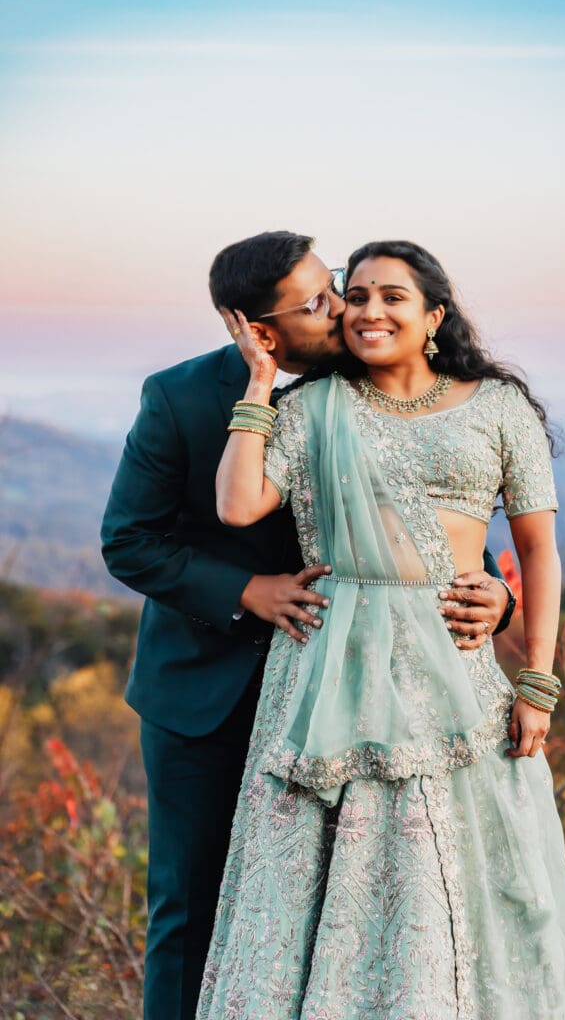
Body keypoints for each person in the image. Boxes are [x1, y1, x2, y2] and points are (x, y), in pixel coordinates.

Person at [100, 231, 513, 1020]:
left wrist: (498, 596)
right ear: (253, 326)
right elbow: (130, 539)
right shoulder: (180, 396)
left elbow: (439, 519)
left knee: (350, 915)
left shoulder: (389, 387)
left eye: (334, 286)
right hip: (205, 698)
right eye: (317, 302)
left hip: (361, 695)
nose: (342, 310)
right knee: (190, 906)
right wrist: (246, 588)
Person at [197, 239, 565, 1019]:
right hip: (327, 668)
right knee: (318, 873)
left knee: (446, 871)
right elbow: (238, 506)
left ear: (433, 315)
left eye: (393, 297)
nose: (370, 310)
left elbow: (538, 552)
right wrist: (261, 384)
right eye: (358, 295)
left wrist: (538, 679)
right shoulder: (313, 408)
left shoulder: (497, 406)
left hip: (453, 668)